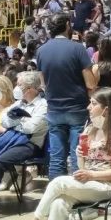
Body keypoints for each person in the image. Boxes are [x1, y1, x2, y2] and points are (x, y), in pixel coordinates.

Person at [6, 87, 111, 220]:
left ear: (106, 109)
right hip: (91, 182)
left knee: (59, 182)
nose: (88, 107)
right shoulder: (90, 129)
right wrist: (80, 156)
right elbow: (82, 167)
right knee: (59, 203)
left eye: (93, 104)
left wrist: (92, 175)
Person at [37, 13, 97, 179]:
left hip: (54, 110)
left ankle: (56, 196)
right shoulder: (77, 48)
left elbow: (43, 83)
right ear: (67, 26)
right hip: (78, 109)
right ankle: (79, 197)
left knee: (56, 159)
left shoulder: (41, 51)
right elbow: (90, 83)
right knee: (79, 156)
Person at [0, 71, 48, 209]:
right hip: (10, 139)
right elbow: (4, 121)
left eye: (20, 85)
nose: (17, 88)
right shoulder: (19, 104)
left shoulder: (43, 105)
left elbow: (31, 128)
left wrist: (16, 120)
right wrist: (21, 119)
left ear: (31, 89)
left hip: (29, 144)